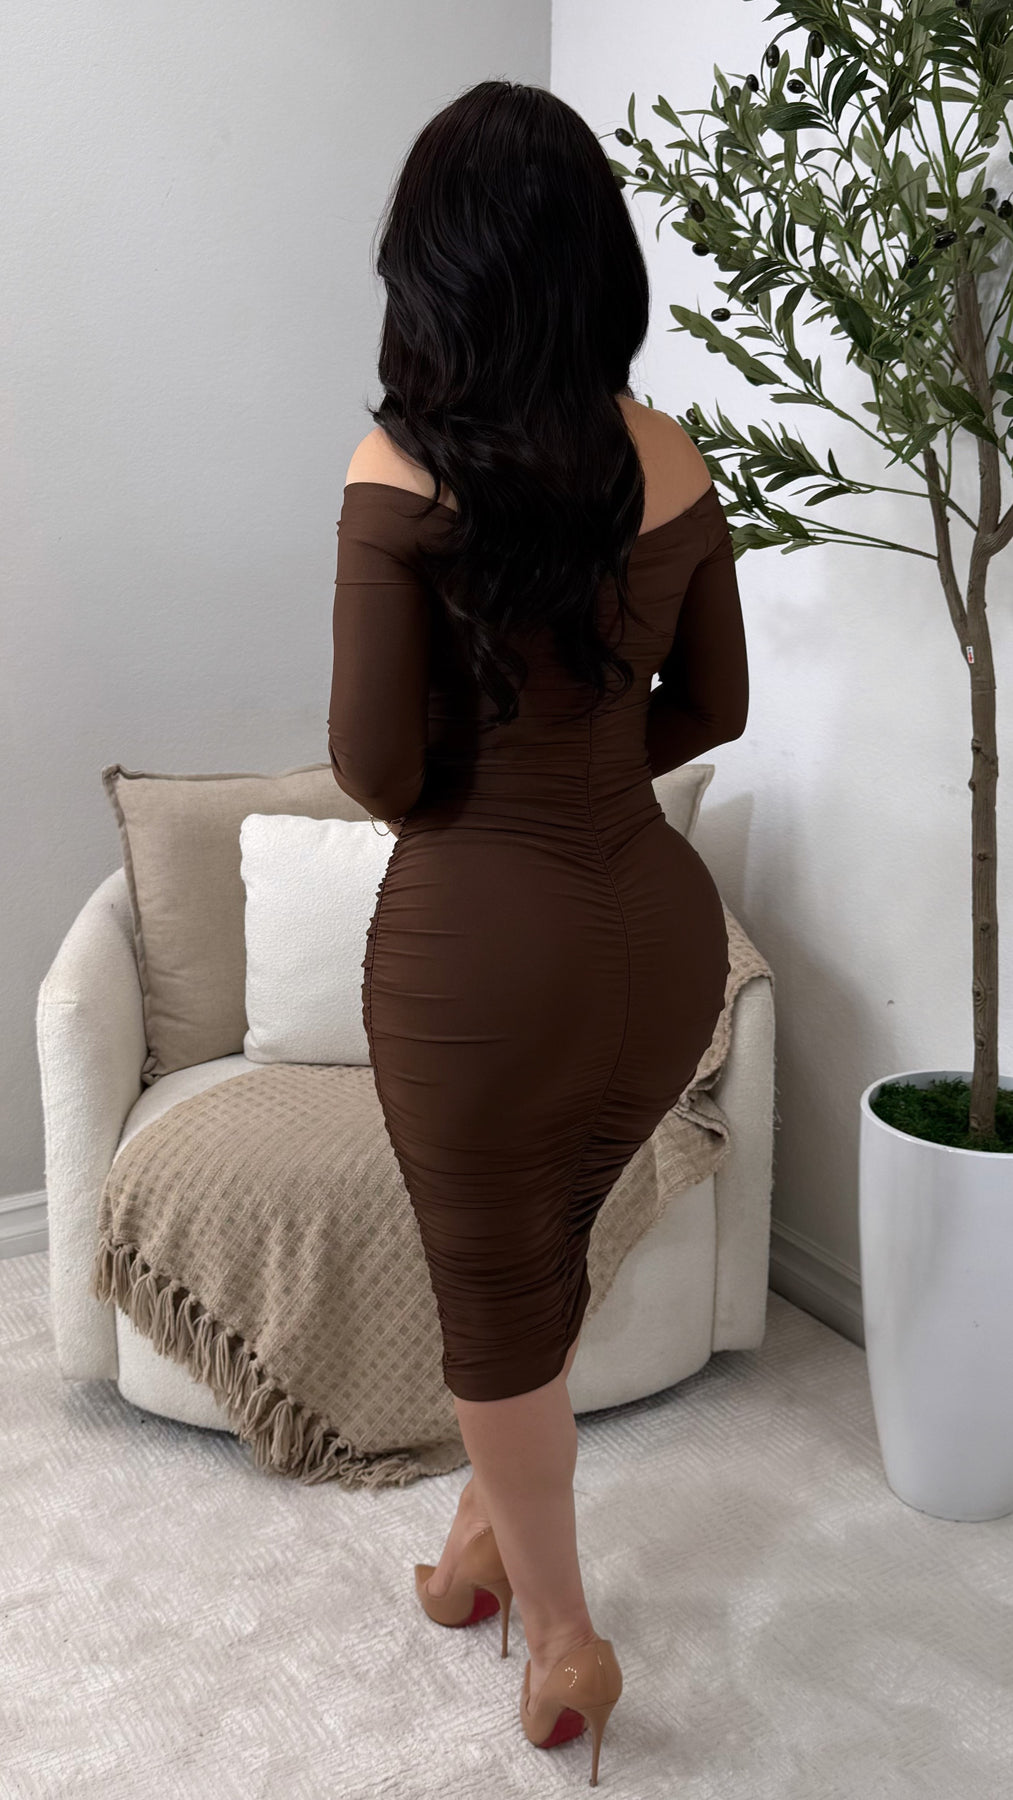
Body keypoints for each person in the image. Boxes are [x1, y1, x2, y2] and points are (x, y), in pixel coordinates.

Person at [327, 77, 748, 1786]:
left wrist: (495, 788)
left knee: (494, 1299)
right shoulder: (670, 453)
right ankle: (478, 1548)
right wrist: (583, 772)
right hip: (657, 941)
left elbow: (374, 768)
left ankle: (565, 1635)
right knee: (540, 1259)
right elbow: (714, 704)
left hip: (482, 962)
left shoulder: (395, 468)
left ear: (433, 271)